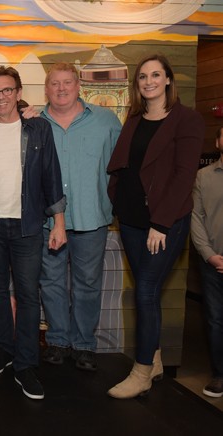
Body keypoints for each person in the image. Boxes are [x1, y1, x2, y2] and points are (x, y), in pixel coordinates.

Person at [0, 66, 66, 400]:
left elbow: (52, 176)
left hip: (27, 226)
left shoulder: (38, 130)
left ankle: (25, 365)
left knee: (26, 294)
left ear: (19, 92)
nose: (1, 97)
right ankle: (5, 351)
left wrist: (60, 222)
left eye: (7, 90)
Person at [106, 54, 203, 399]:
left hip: (165, 222)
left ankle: (142, 370)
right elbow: (124, 165)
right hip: (130, 220)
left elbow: (183, 176)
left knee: (145, 291)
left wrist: (161, 223)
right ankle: (157, 358)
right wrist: (116, 200)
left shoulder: (186, 120)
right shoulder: (134, 119)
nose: (148, 81)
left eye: (155, 75)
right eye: (143, 76)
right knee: (150, 294)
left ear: (167, 80)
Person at [38, 63, 121, 371]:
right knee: (51, 282)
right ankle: (58, 341)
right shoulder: (34, 122)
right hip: (47, 222)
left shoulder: (106, 121)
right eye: (55, 84)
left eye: (67, 83)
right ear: (46, 89)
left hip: (92, 218)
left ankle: (84, 344)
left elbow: (120, 169)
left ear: (78, 87)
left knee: (88, 283)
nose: (61, 89)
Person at [191, 125, 223, 398]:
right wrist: (209, 254)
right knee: (215, 320)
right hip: (212, 261)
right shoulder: (203, 176)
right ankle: (219, 374)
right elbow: (196, 217)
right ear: (218, 141)